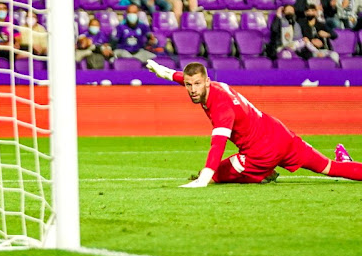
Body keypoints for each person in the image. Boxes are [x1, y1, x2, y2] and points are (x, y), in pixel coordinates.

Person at [145, 60, 362, 187]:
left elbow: (218, 145)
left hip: (260, 153)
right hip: (281, 135)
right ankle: (347, 163)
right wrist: (160, 71)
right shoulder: (212, 86)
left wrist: (203, 178)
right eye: (189, 85)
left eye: (197, 85)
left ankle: (263, 172)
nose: (192, 89)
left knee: (218, 175)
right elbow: (182, 76)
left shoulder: (221, 107)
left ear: (207, 82)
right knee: (331, 168)